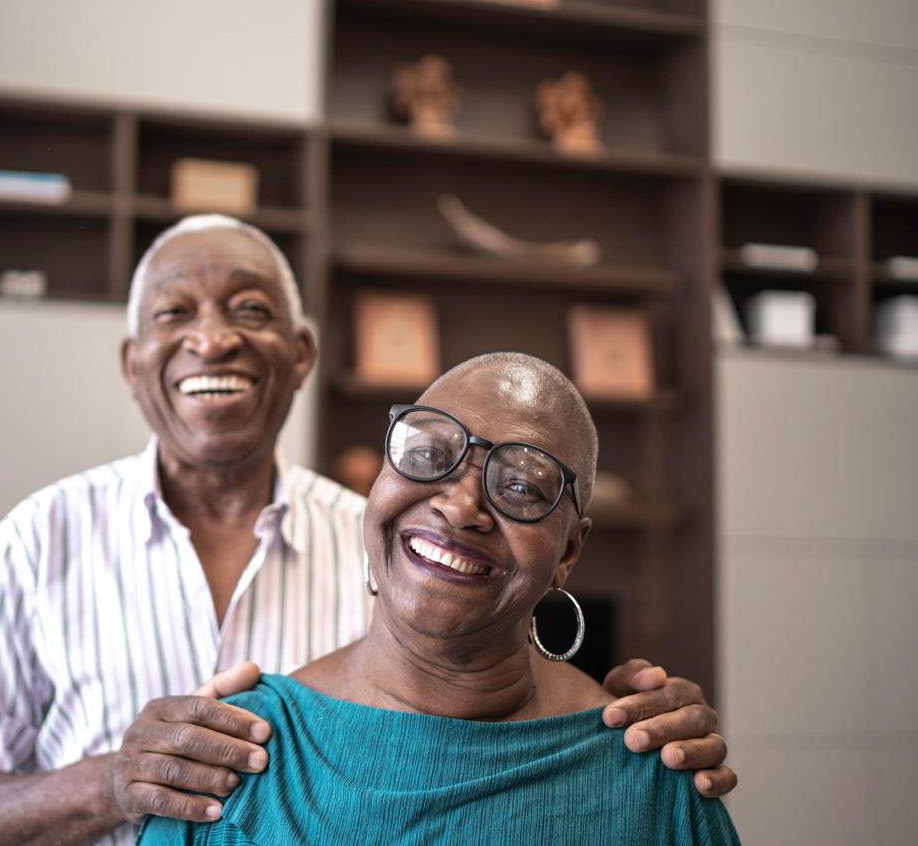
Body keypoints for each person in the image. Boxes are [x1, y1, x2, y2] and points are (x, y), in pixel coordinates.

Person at [0, 216, 735, 846]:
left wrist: (632, 727)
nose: (212, 336)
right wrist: (114, 784)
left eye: (248, 308)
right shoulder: (41, 538)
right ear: (133, 362)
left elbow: (487, 672)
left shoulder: (396, 545)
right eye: (174, 313)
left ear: (301, 354)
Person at [140, 353, 741, 845]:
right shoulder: (230, 757)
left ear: (568, 553)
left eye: (522, 487)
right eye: (429, 456)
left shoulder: (653, 773)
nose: (459, 508)